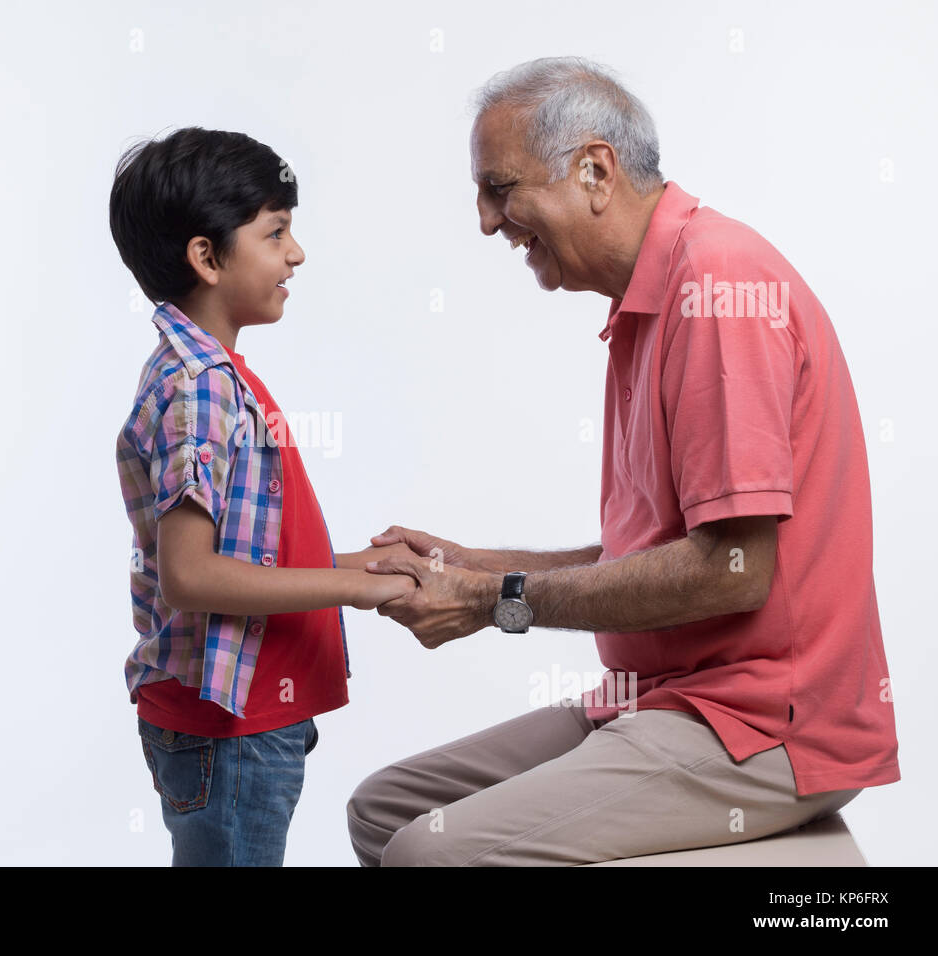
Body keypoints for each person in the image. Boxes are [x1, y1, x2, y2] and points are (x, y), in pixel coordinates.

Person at [349, 57, 901, 866]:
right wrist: (471, 563)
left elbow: (732, 571)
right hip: (666, 698)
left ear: (595, 170)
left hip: (761, 722)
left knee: (429, 855)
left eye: (499, 188)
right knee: (383, 811)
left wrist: (492, 599)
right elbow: (660, 555)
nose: (485, 221)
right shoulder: (647, 299)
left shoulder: (716, 285)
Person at [110, 127, 416, 866]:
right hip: (229, 731)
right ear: (206, 257)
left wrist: (364, 566)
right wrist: (353, 589)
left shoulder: (211, 374)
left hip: (244, 725)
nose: (296, 254)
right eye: (276, 232)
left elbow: (243, 556)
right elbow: (192, 575)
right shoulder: (203, 388)